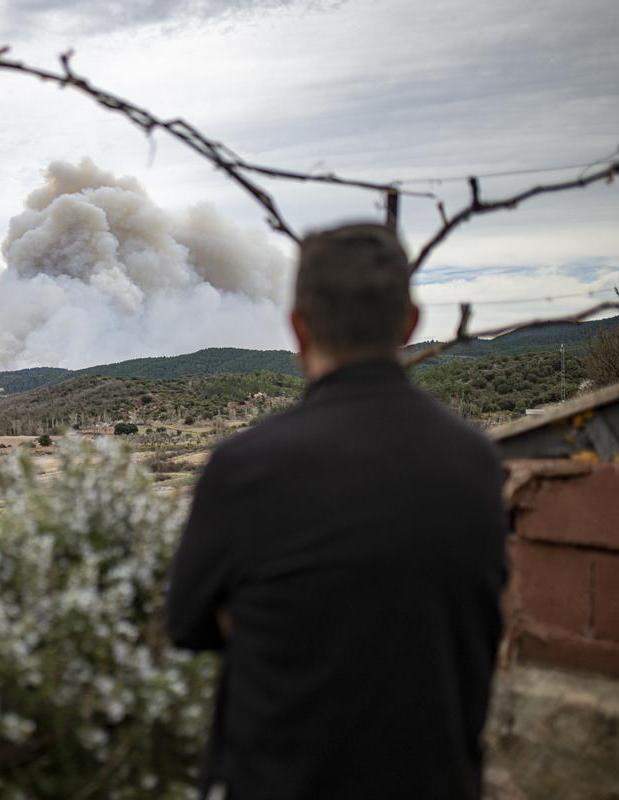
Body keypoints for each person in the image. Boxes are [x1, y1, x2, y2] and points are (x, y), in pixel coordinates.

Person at [167, 223, 506, 800]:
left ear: (299, 328)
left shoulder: (247, 468)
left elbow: (186, 624)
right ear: (410, 324)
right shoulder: (478, 462)